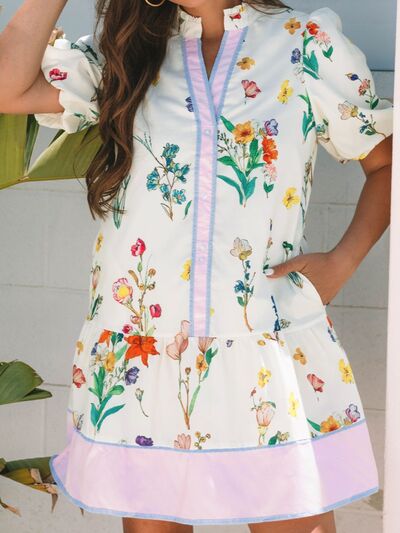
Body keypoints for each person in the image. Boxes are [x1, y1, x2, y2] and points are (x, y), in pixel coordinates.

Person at [0, 0, 393, 531]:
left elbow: (386, 162)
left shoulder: (304, 43)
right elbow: (8, 87)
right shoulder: (124, 54)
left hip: (265, 349)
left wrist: (342, 262)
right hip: (144, 358)